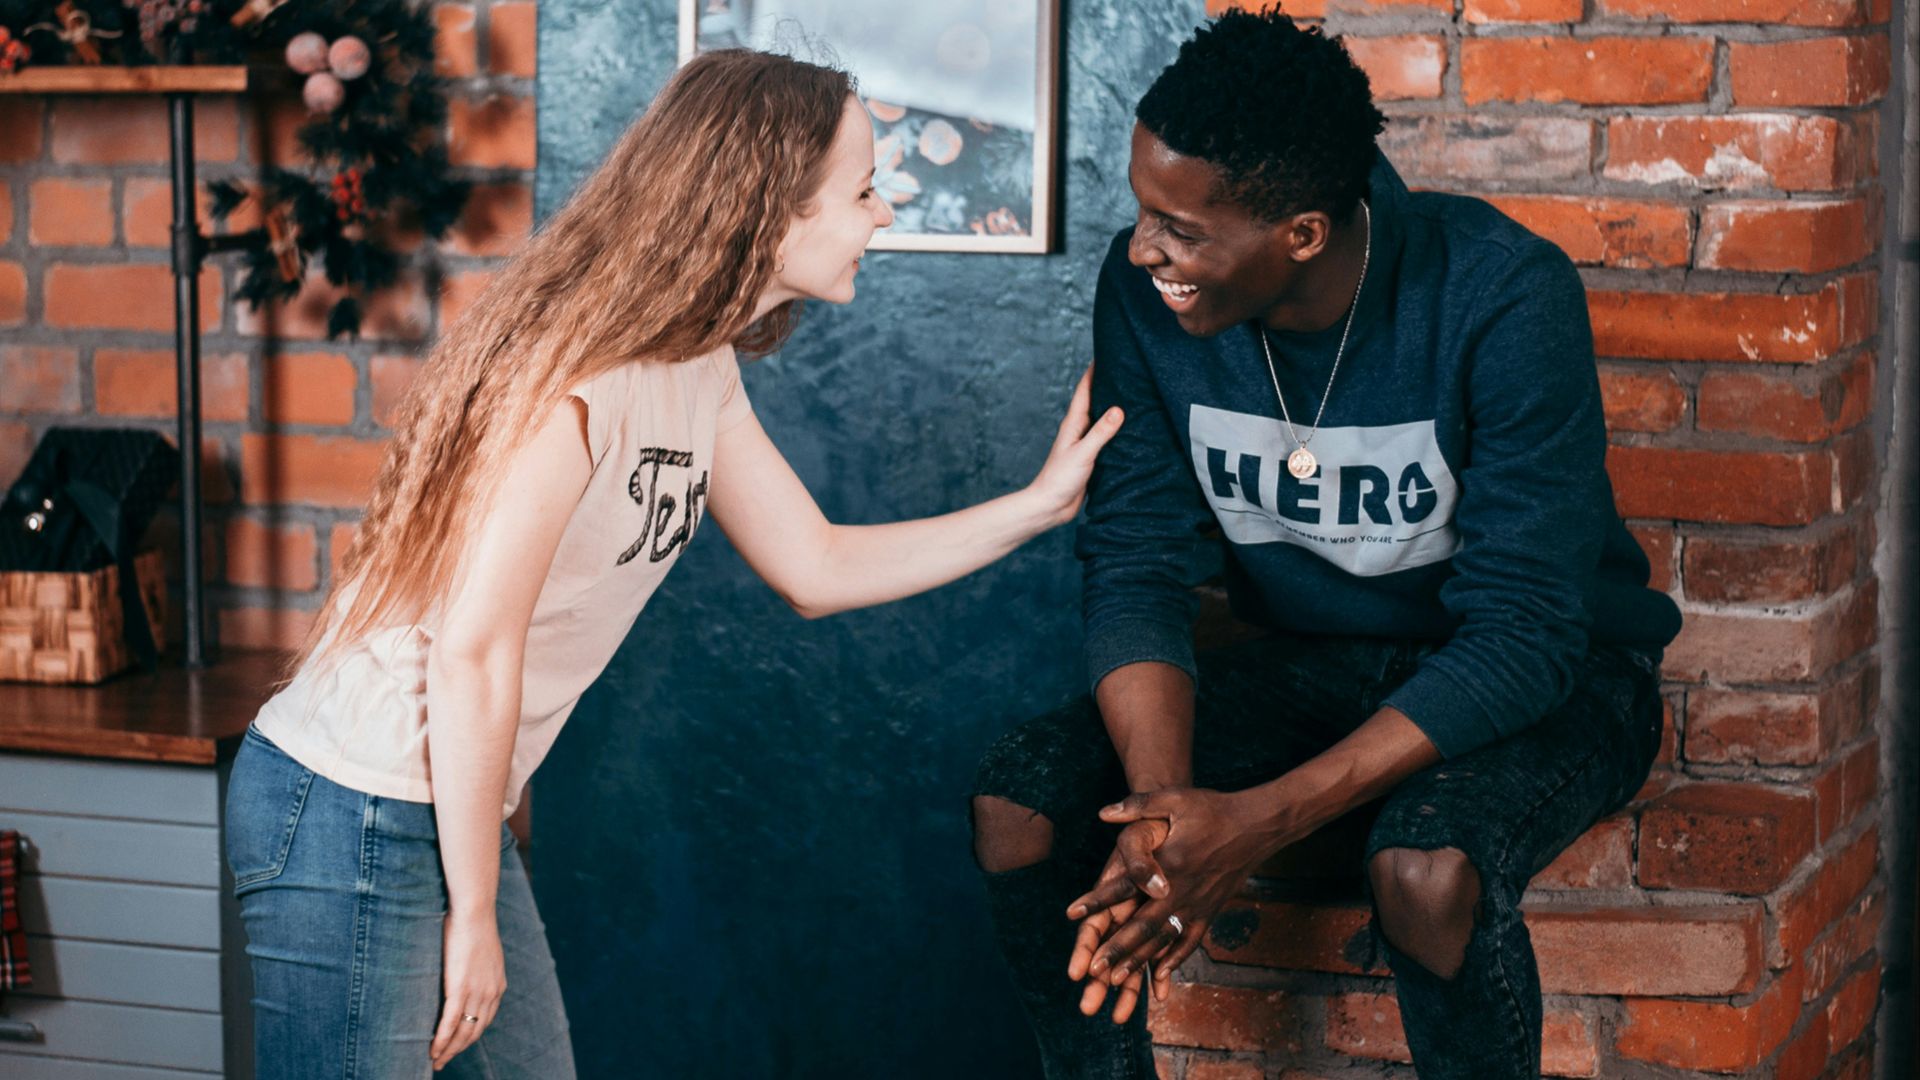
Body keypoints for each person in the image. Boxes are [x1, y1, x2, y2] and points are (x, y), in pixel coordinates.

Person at [223, 48, 1122, 1079]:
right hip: (357, 804)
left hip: (447, 803)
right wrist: (475, 912)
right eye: (864, 189)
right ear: (768, 206)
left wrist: (1040, 508)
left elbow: (813, 564)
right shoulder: (581, 374)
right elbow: (473, 650)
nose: (883, 212)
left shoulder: (695, 364)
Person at [969, 10, 1682, 1079]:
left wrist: (1252, 825)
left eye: (1185, 230)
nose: (1145, 249)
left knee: (1426, 874)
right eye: (1142, 211)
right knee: (1018, 803)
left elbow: (1526, 634)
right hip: (1315, 661)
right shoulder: (1145, 295)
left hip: (1562, 678)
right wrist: (1169, 820)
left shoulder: (1500, 292)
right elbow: (1135, 560)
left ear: (1300, 233)